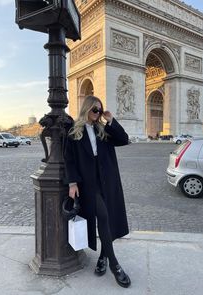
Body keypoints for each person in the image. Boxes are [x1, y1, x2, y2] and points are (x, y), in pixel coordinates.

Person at [64, 95, 131, 288]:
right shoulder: (74, 131)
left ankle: (103, 257)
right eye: (95, 110)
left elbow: (124, 139)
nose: (97, 114)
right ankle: (115, 265)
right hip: (88, 182)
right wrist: (72, 183)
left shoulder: (104, 129)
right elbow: (69, 159)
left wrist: (111, 120)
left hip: (107, 180)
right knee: (102, 216)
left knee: (108, 219)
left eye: (99, 111)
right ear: (86, 109)